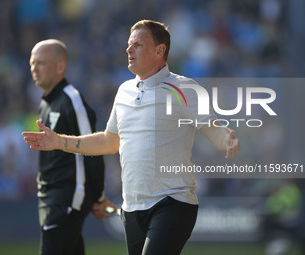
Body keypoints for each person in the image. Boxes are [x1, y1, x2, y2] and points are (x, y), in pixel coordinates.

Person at [23, 22, 240, 255]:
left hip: (173, 202)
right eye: (129, 45)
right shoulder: (124, 90)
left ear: (159, 51)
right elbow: (109, 141)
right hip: (132, 209)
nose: (129, 50)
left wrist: (227, 140)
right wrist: (59, 142)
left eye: (137, 45)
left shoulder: (184, 88)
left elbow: (213, 129)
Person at [28, 39, 115, 255]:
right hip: (51, 198)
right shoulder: (46, 103)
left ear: (60, 66)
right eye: (32, 63)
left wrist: (98, 197)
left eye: (41, 63)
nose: (34, 68)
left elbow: (94, 149)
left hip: (65, 199)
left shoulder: (72, 101)